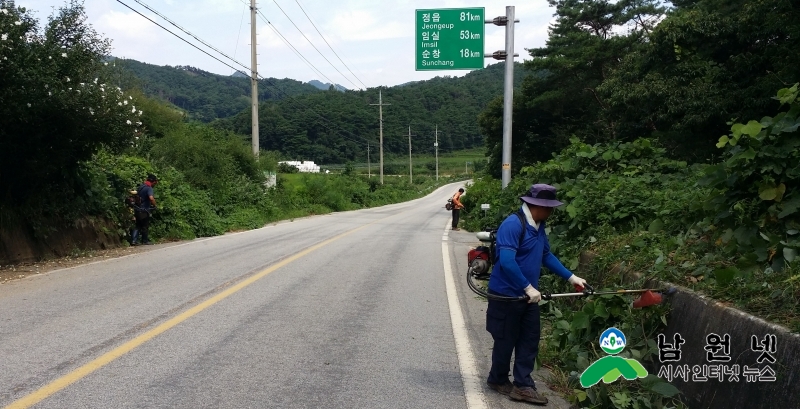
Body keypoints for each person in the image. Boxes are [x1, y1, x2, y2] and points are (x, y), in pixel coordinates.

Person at [485, 183, 589, 405]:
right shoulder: (513, 225)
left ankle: (523, 384)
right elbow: (507, 261)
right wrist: (527, 287)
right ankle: (498, 379)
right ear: (534, 205)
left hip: (528, 297)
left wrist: (572, 278)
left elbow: (546, 255)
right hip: (507, 295)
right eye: (548, 207)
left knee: (530, 339)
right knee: (505, 340)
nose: (551, 212)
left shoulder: (539, 225)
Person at [131, 174, 158, 246]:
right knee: (145, 226)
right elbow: (151, 198)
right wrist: (155, 205)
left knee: (138, 225)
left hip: (137, 209)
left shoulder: (141, 186)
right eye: (155, 182)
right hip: (144, 210)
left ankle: (134, 240)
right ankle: (145, 240)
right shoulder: (149, 188)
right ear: (153, 182)